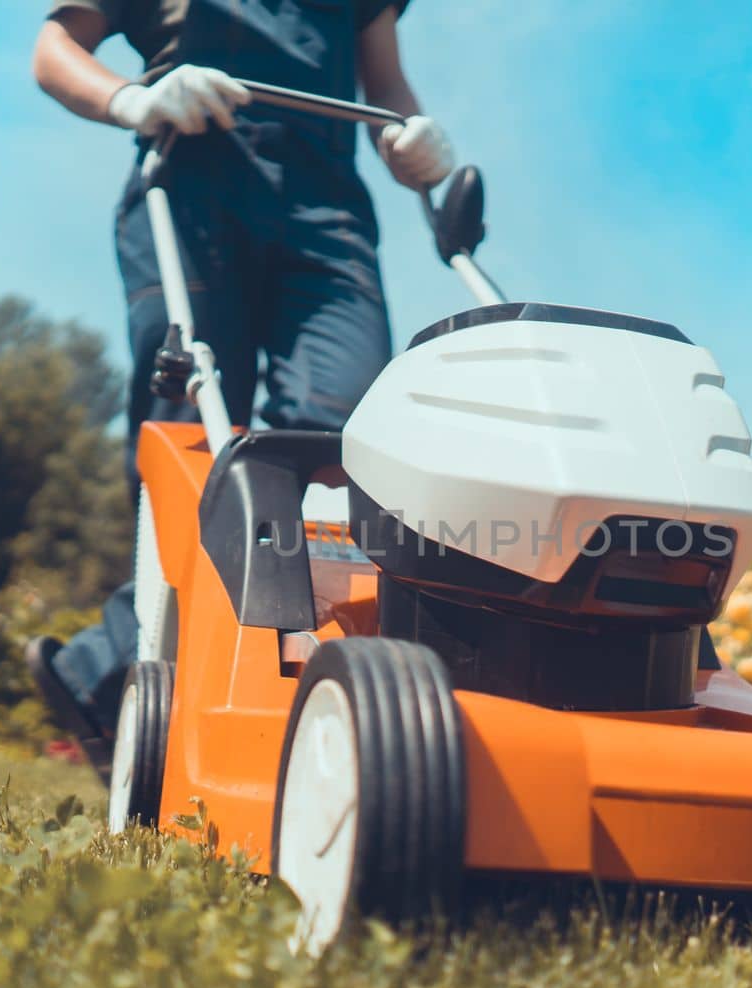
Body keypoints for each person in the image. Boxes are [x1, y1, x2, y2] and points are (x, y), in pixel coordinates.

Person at [24, 0, 454, 756]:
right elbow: (55, 50)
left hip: (327, 212)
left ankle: (117, 671)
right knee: (193, 432)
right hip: (193, 177)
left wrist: (411, 136)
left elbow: (385, 86)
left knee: (337, 436)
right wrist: (132, 100)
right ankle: (152, 676)